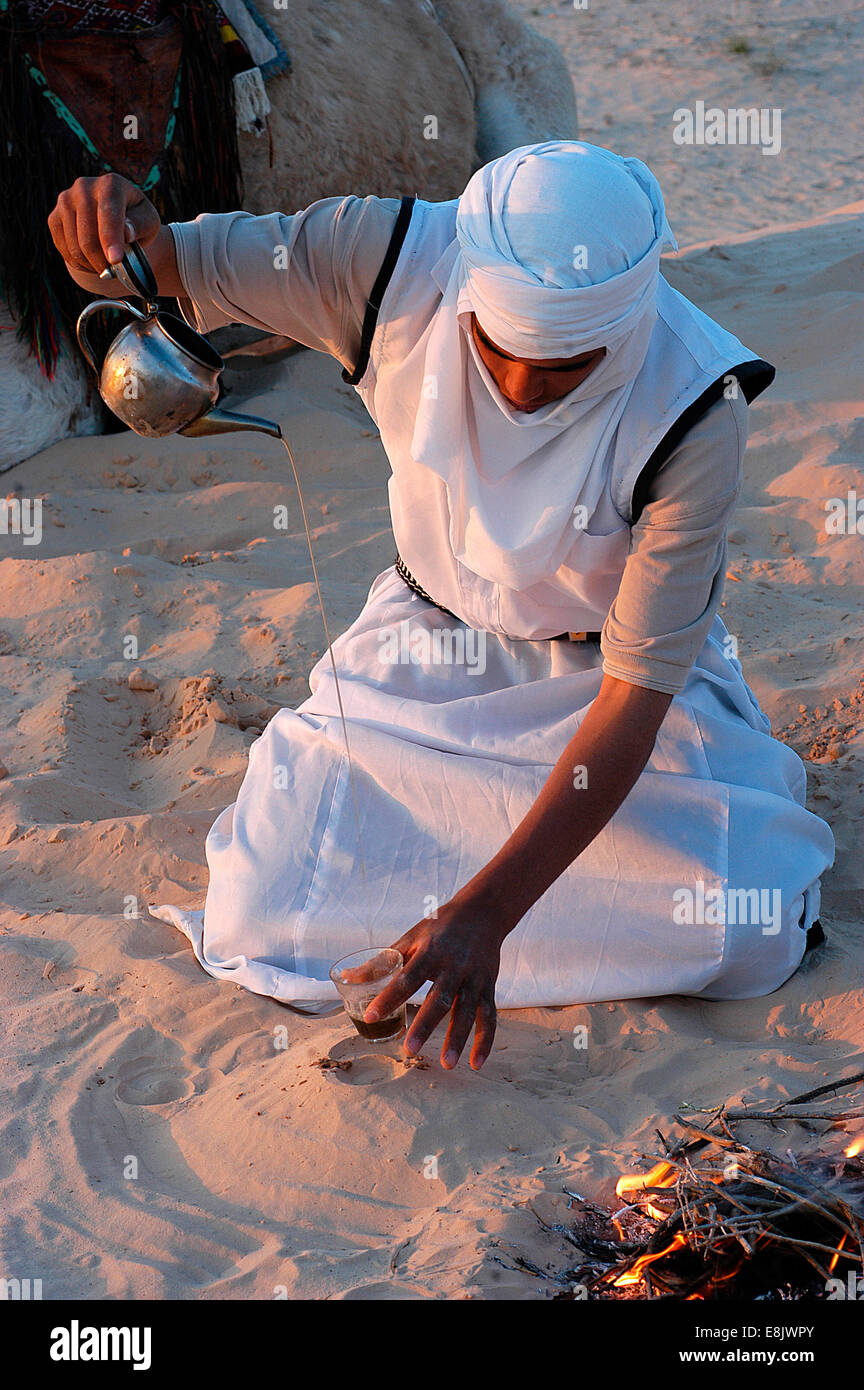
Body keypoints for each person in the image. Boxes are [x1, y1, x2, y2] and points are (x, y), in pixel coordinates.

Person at [49, 142, 834, 1072]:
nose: (518, 390)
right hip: (423, 657)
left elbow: (633, 697)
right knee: (257, 902)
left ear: (624, 327)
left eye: (563, 368)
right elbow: (165, 262)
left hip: (604, 696)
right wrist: (108, 231)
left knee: (744, 918)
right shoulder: (377, 260)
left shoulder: (696, 408)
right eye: (495, 351)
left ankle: (474, 907)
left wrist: (488, 916)